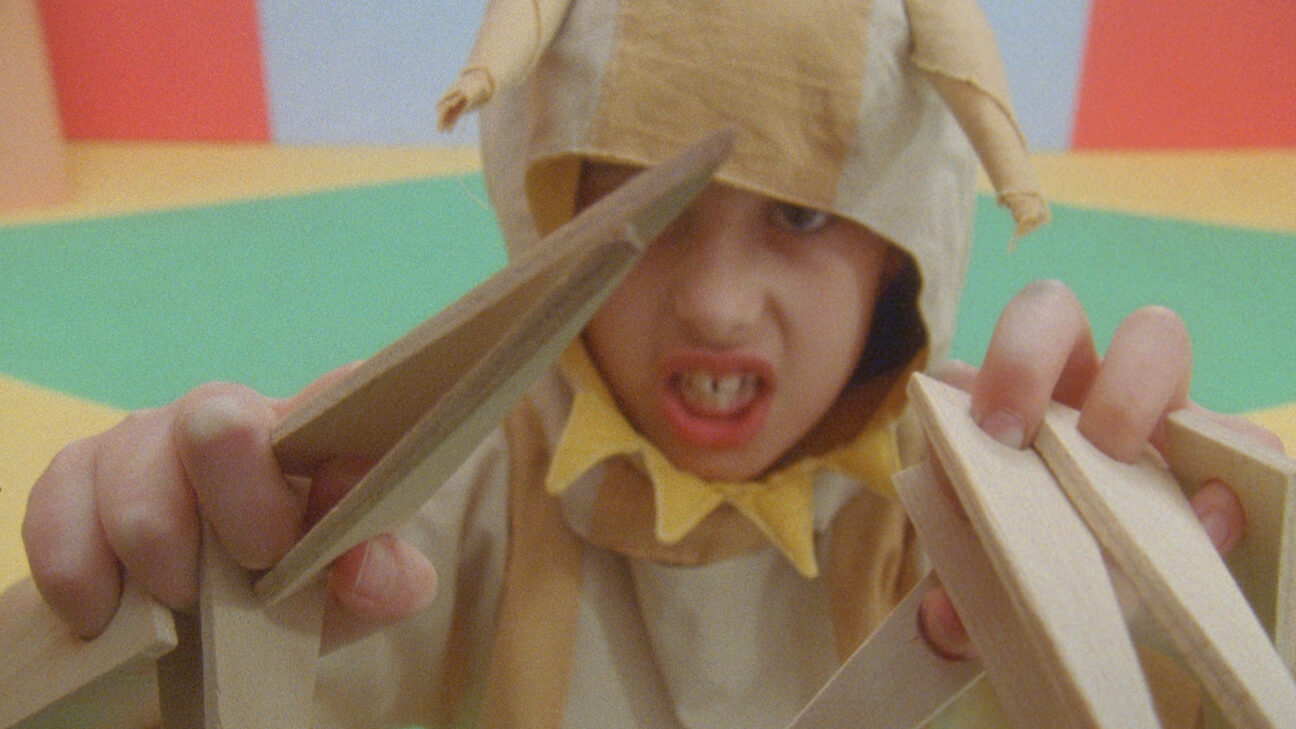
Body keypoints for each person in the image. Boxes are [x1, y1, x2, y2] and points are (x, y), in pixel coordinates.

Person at [19, 1, 1279, 727]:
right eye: (643, 204)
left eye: (801, 215)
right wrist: (147, 612)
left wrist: (1236, 582)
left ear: (904, 259)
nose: (717, 306)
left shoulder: (979, 534)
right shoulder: (426, 515)